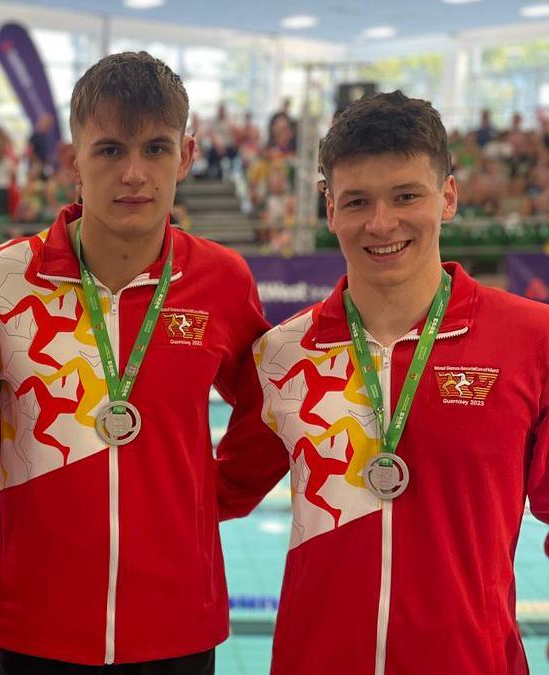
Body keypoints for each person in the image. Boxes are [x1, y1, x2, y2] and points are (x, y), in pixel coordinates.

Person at [216, 91, 549, 674]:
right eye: (358, 201)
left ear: (447, 196)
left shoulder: (532, 340)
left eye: (405, 196)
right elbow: (210, 494)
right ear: (329, 209)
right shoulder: (282, 354)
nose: (381, 223)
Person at [0, 51, 275, 673]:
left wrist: (208, 497)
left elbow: (269, 404)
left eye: (156, 149)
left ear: (186, 156)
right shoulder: (2, 279)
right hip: (38, 624)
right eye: (109, 150)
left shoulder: (219, 279)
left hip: (178, 622)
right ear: (72, 159)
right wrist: (23, 497)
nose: (134, 173)